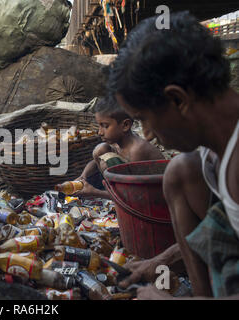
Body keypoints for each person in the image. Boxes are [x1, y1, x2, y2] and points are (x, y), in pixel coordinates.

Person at [108, 11, 239, 299]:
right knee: (180, 171)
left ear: (178, 99)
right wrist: (159, 262)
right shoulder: (211, 153)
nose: (149, 134)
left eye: (144, 118)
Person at [75, 97, 164, 199]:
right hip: (129, 188)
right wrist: (83, 177)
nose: (100, 132)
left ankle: (113, 194)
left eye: (105, 126)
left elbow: (135, 195)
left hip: (152, 197)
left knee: (105, 159)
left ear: (125, 125)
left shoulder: (137, 151)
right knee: (100, 149)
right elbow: (94, 162)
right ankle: (111, 190)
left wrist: (94, 192)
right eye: (99, 126)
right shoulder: (117, 142)